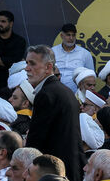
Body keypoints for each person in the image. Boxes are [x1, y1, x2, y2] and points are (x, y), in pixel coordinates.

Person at [25, 45, 85, 181]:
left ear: (48, 67)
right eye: (27, 63)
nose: (27, 68)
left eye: (32, 63)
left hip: (52, 172)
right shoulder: (66, 91)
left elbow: (35, 144)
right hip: (70, 168)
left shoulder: (46, 95)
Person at [0, 11, 28, 93]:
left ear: (11, 24)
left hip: (13, 86)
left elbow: (14, 63)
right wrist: (5, 60)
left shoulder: (19, 41)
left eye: (3, 21)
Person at [53, 24, 95, 92]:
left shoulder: (85, 54)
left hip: (76, 94)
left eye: (73, 35)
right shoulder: (53, 52)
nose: (71, 38)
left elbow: (91, 76)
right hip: (55, 91)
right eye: (68, 35)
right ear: (61, 36)